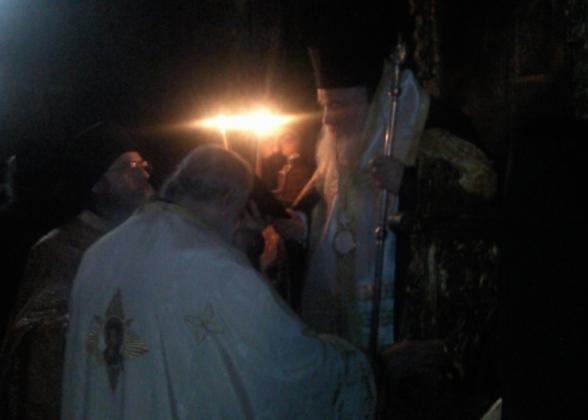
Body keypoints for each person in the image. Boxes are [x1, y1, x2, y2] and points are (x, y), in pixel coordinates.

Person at [61, 145, 375, 419]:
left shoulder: (98, 254)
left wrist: (239, 247)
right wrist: (366, 365)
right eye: (238, 213)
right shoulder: (215, 265)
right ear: (227, 201)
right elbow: (286, 364)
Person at [274, 42, 499, 419]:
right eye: (324, 104)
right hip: (347, 329)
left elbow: (485, 199)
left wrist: (410, 184)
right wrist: (303, 229)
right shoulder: (337, 147)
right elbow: (324, 212)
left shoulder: (431, 130)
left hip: (408, 327)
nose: (328, 119)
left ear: (375, 99)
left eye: (339, 105)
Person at [0, 121, 153, 420]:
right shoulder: (59, 252)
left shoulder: (150, 241)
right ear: (95, 182)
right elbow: (41, 354)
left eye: (143, 165)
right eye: (128, 167)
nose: (143, 175)